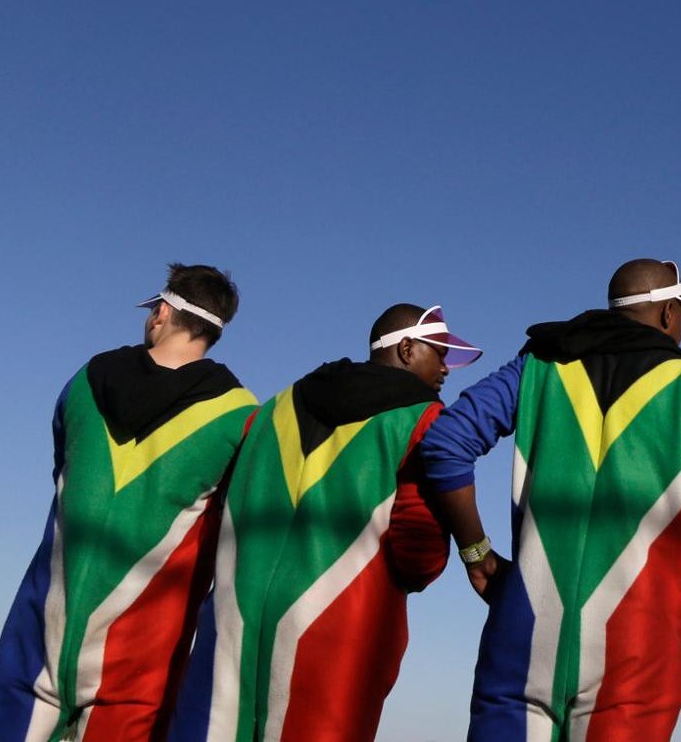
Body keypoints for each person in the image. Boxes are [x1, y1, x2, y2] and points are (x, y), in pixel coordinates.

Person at [420, 258, 681, 740]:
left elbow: (446, 444)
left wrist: (477, 554)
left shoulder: (540, 364)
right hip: (637, 638)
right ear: (668, 315)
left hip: (524, 626)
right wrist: (657, 549)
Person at [168, 303, 480, 742]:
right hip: (343, 621)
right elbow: (420, 546)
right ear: (407, 350)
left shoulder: (273, 407)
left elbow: (222, 502)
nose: (447, 368)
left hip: (235, 611)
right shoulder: (423, 419)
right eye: (439, 353)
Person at [0, 264, 255, 742]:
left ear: (161, 313)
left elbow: (61, 469)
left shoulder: (85, 382)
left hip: (39, 631)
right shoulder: (242, 418)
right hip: (142, 657)